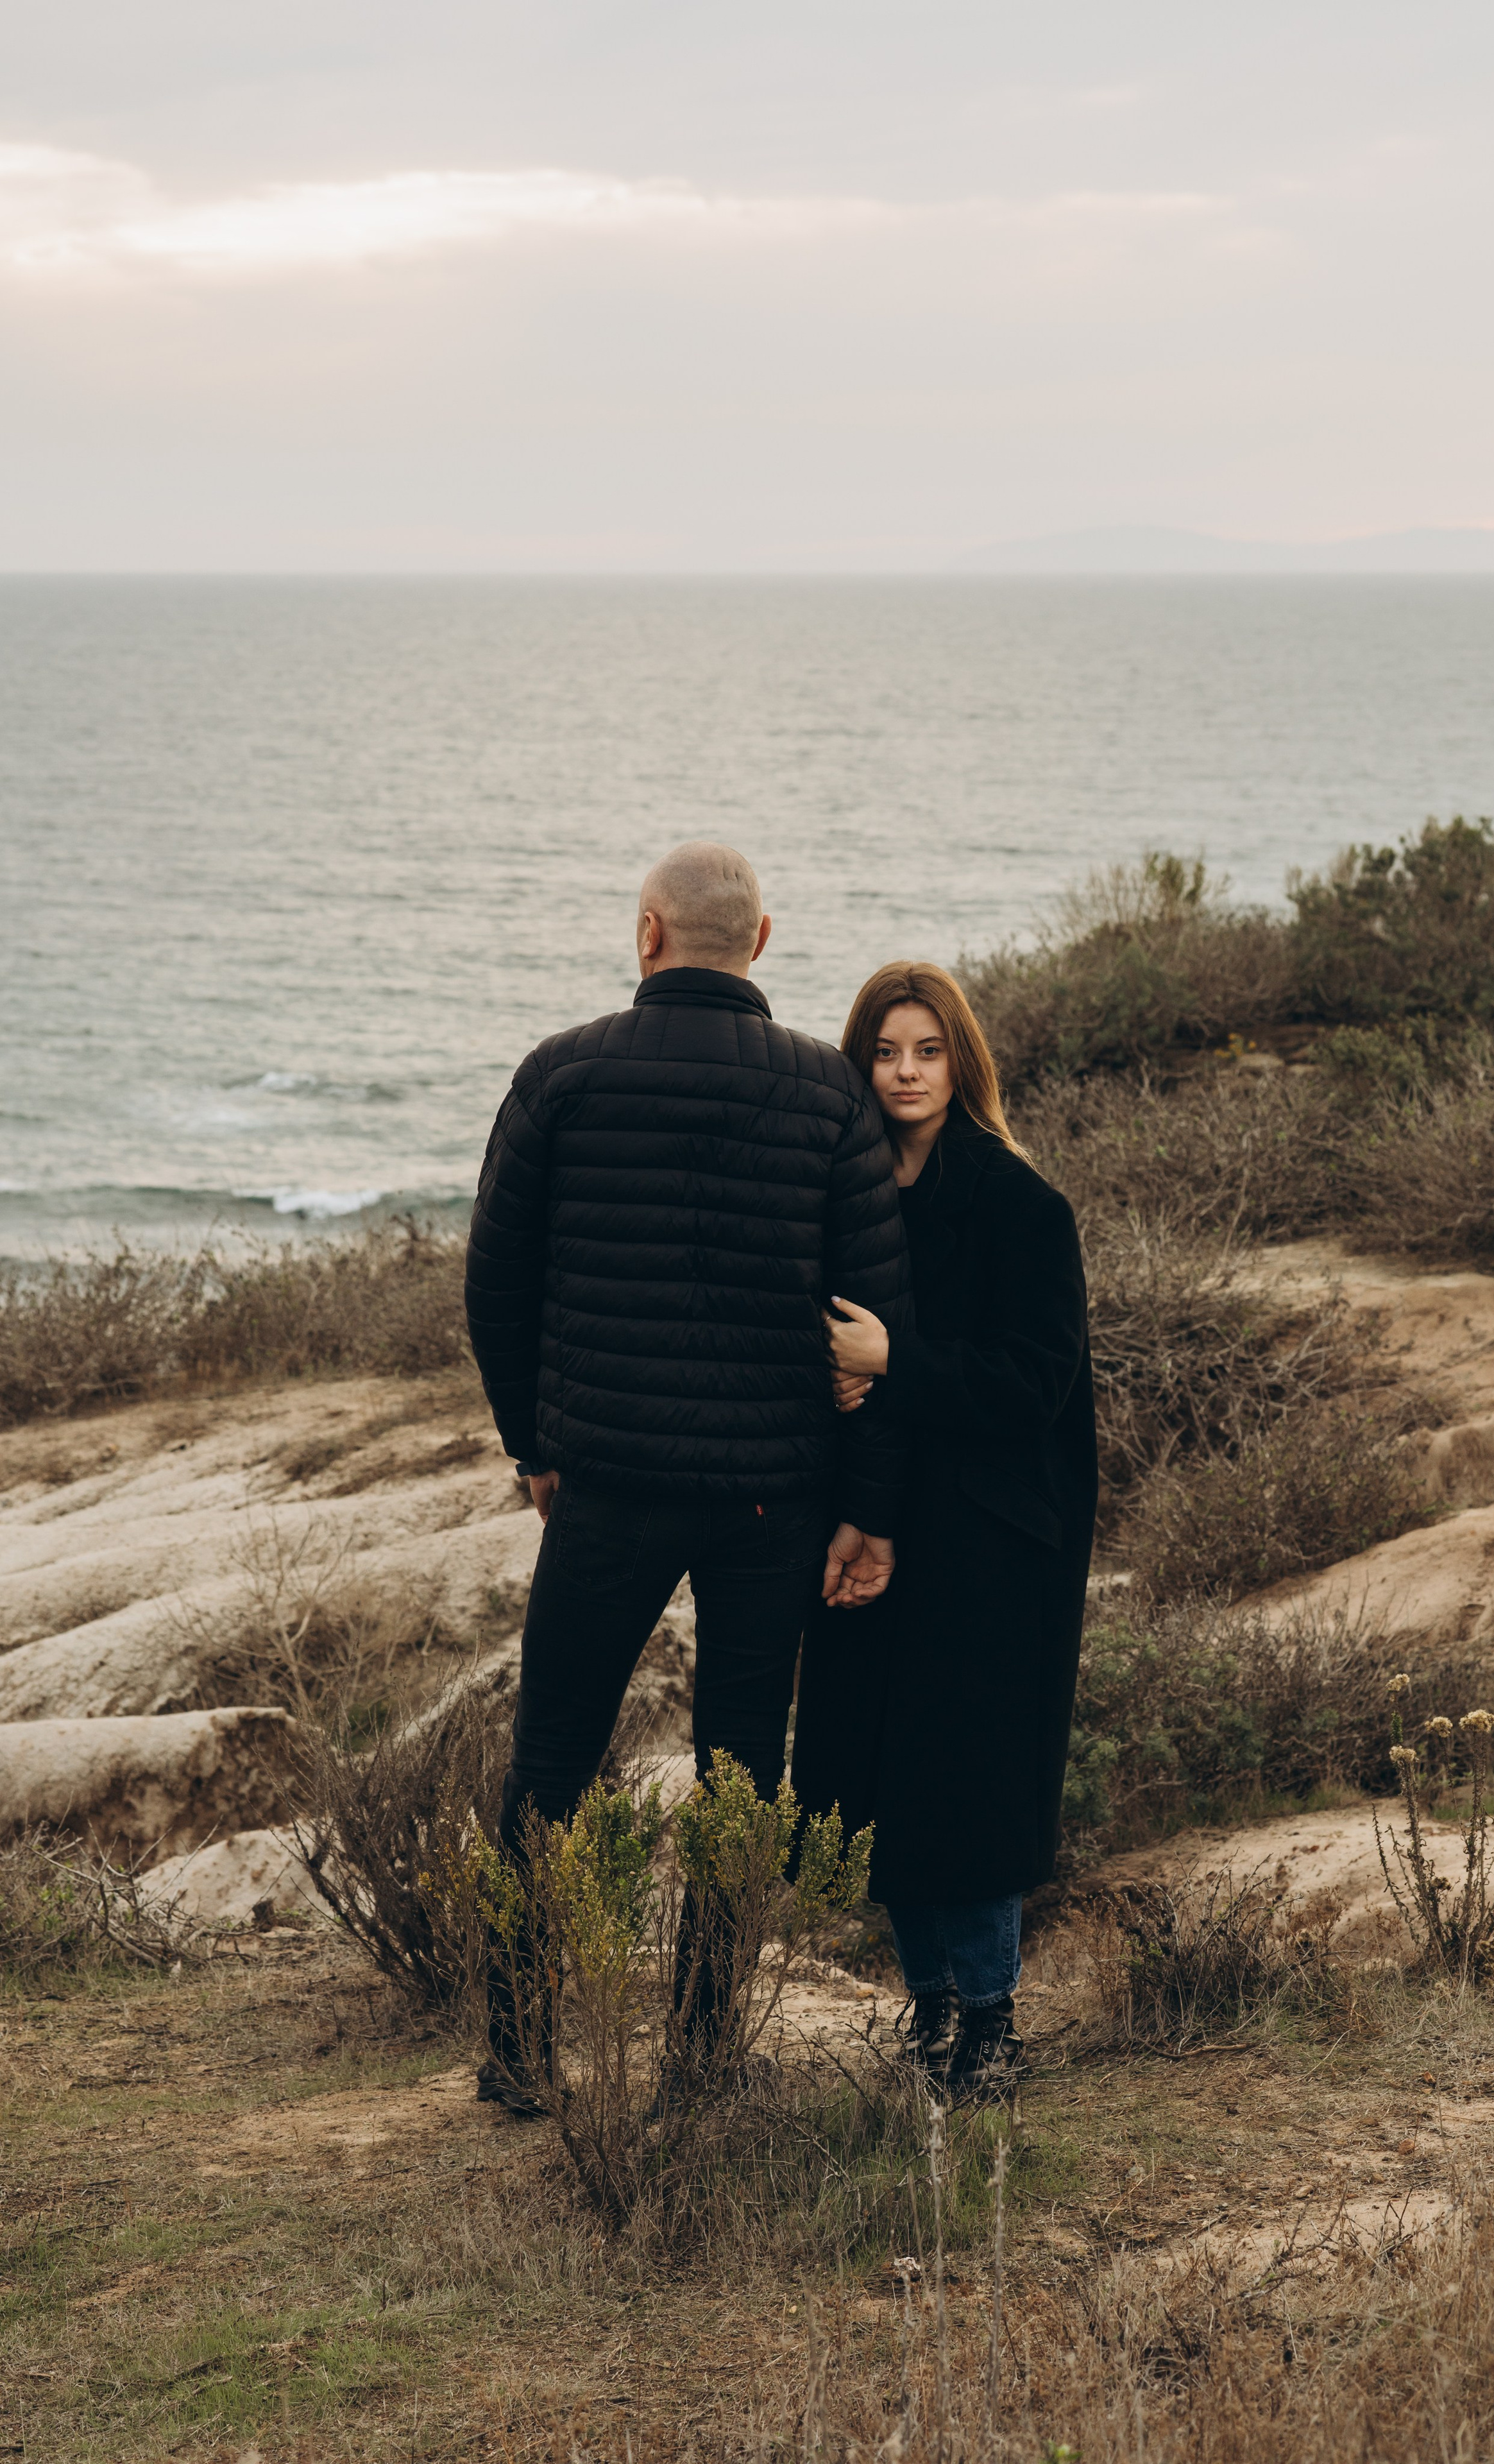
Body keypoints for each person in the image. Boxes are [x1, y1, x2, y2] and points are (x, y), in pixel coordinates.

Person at [464, 841, 910, 2112]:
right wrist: (867, 1508)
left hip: (603, 1485)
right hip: (775, 1498)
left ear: (649, 933)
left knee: (550, 1759)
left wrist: (532, 1447)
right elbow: (871, 1320)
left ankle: (516, 2052)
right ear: (758, 943)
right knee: (738, 1771)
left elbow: (495, 1284)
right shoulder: (831, 1099)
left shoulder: (563, 1073)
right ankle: (704, 2051)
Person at [790, 961, 1097, 2100]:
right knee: (886, 1777)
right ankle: (929, 2013)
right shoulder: (854, 1194)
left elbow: (1037, 1381)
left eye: (927, 1051)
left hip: (996, 1540)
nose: (906, 1072)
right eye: (885, 1051)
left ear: (960, 1060)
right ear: (859, 1061)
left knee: (970, 1779)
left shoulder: (1022, 1203)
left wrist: (891, 1366)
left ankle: (993, 2025)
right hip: (876, 1527)